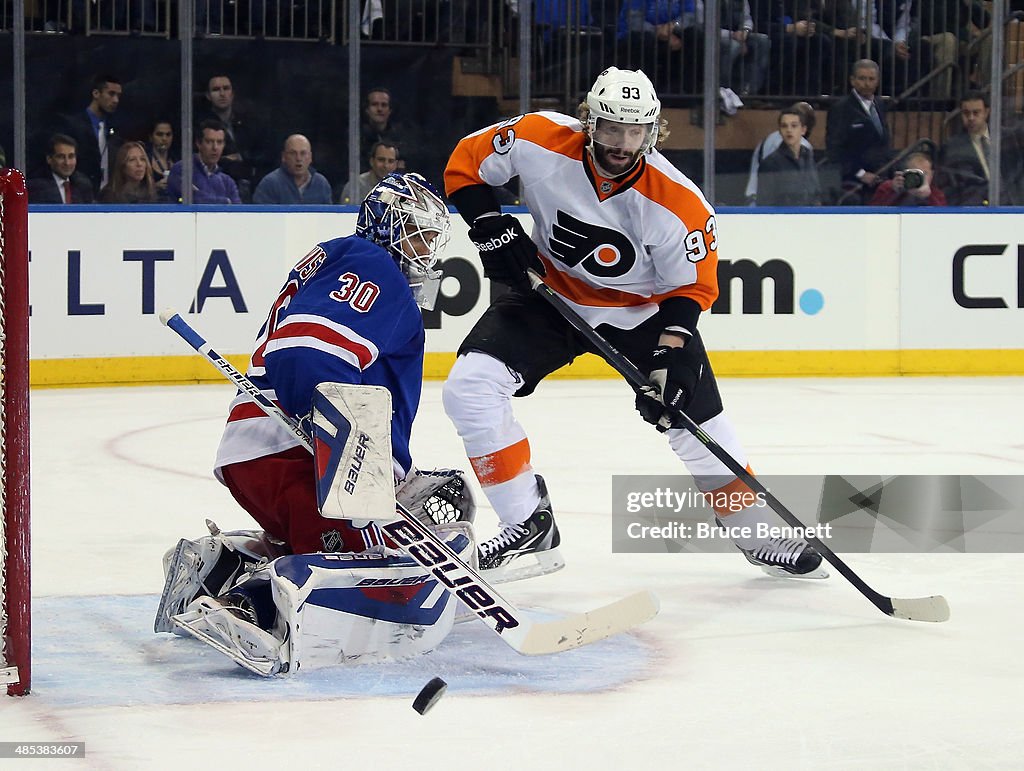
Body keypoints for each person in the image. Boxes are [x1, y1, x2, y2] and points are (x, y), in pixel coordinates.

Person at [442, 66, 827, 583]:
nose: (622, 143)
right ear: (590, 122)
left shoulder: (678, 202)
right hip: (548, 296)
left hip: (641, 314)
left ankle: (757, 533)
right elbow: (466, 163)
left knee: (697, 424)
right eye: (611, 128)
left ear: (653, 131)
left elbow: (690, 289)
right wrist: (488, 222)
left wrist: (669, 356)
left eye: (635, 131)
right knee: (470, 388)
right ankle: (527, 522)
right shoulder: (538, 138)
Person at [154, 172, 473, 675]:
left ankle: (219, 568)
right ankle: (254, 606)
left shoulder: (336, 258)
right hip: (305, 462)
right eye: (418, 234)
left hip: (256, 455)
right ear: (387, 228)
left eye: (433, 239)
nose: (427, 251)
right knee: (385, 579)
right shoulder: (375, 266)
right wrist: (335, 435)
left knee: (305, 543)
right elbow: (307, 350)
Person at [825, 59, 893, 204]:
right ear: (852, 80)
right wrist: (860, 173)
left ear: (877, 81)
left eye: (871, 79)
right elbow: (834, 150)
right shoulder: (841, 108)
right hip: (854, 182)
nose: (867, 83)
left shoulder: (880, 104)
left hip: (881, 176)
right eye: (862, 78)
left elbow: (883, 141)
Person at [196, 74, 266, 201]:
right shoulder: (201, 125)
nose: (222, 93)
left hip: (253, 186)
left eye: (226, 88)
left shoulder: (250, 122)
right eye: (216, 89)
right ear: (208, 96)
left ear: (232, 93)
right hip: (218, 189)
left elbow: (263, 153)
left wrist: (242, 157)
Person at [55, 74, 123, 195]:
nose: (115, 100)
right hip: (80, 194)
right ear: (96, 93)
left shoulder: (115, 128)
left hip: (110, 197)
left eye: (118, 96)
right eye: (111, 94)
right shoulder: (73, 125)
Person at [745, 101, 815, 205]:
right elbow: (766, 200)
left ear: (803, 129)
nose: (789, 130)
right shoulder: (771, 161)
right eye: (785, 126)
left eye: (794, 125)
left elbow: (814, 190)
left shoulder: (806, 154)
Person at [167, 119, 242, 204]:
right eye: (209, 142)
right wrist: (226, 201)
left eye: (219, 142)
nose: (215, 147)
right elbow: (192, 200)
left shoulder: (227, 182)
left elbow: (238, 211)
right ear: (198, 143)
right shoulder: (182, 170)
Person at [937, 91, 992, 206]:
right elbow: (947, 186)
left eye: (976, 113)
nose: (971, 118)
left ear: (986, 112)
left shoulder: (1008, 138)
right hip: (972, 208)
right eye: (966, 113)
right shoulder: (952, 148)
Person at [252, 134, 333, 204]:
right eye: (293, 153)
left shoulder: (321, 184)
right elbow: (261, 219)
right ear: (283, 157)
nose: (298, 158)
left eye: (303, 153)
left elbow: (329, 219)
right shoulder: (270, 184)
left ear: (310, 157)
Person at [26, 134, 96, 204]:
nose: (67, 163)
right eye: (61, 157)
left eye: (71, 157)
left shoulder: (83, 185)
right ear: (49, 159)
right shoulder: (36, 187)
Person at [868, 151, 947, 206]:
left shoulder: (936, 194)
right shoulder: (887, 187)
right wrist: (893, 191)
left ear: (932, 175)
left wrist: (929, 197)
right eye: (915, 173)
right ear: (905, 173)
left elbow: (943, 218)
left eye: (925, 173)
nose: (919, 177)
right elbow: (873, 212)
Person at [359, 88, 409, 172]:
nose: (379, 109)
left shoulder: (401, 137)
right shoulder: (357, 136)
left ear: (390, 110)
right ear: (367, 110)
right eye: (374, 104)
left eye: (384, 105)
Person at [145, 119, 177, 201]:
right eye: (159, 134)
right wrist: (154, 187)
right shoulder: (144, 159)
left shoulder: (177, 159)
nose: (164, 138)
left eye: (168, 134)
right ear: (151, 137)